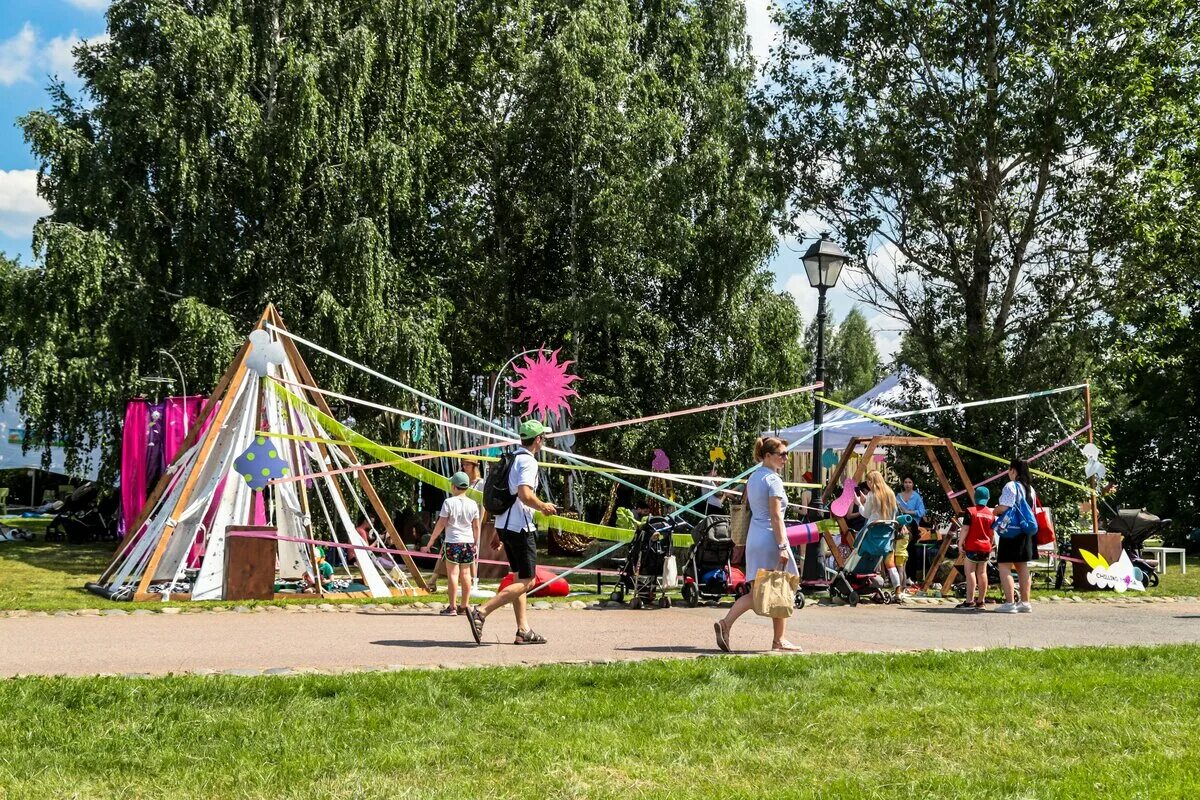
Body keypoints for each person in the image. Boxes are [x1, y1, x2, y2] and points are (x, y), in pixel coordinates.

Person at [466, 419, 557, 645]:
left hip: (505, 525)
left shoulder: (512, 458)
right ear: (537, 440)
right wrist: (544, 506)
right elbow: (525, 494)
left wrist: (499, 532)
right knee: (528, 581)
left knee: (519, 577)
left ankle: (523, 630)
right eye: (542, 438)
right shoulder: (528, 462)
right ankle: (481, 611)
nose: (543, 441)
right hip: (520, 527)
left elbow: (507, 494)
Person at [713, 436, 801, 653]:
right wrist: (782, 546)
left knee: (762, 591)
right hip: (771, 538)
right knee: (782, 587)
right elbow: (776, 516)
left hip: (755, 537)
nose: (785, 459)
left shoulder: (753, 477)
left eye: (786, 454)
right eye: (782, 454)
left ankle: (733, 626)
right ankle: (732, 625)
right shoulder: (773, 480)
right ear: (768, 456)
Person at [421, 471, 481, 616]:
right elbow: (476, 526)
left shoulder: (448, 502)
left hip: (453, 542)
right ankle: (464, 605)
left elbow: (440, 524)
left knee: (453, 575)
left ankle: (452, 607)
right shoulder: (473, 504)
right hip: (468, 542)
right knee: (466, 574)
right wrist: (476, 543)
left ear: (454, 486)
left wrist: (430, 542)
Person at [993, 458, 1037, 614]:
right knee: (1022, 566)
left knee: (1004, 565)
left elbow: (1005, 507)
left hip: (1011, 531)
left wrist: (995, 510)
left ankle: (1010, 602)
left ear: (1013, 470)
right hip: (1026, 531)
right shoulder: (1030, 489)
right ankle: (1025, 602)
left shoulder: (1011, 486)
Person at [861, 471, 906, 600]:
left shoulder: (871, 495)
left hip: (872, 536)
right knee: (891, 565)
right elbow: (894, 514)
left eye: (869, 481)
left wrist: (859, 504)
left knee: (864, 556)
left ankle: (867, 585)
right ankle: (898, 591)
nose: (868, 484)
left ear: (872, 481)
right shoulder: (891, 494)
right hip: (887, 535)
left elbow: (865, 514)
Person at [957, 486, 995, 609]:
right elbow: (992, 533)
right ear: (988, 498)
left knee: (970, 572)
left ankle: (969, 600)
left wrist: (960, 542)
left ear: (975, 497)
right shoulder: (991, 514)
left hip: (972, 546)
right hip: (985, 547)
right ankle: (981, 601)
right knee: (982, 572)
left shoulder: (971, 511)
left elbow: (966, 528)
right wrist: (991, 544)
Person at [461, 457, 487, 584]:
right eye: (463, 464)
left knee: (472, 547)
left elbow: (483, 504)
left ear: (473, 466)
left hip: (474, 518)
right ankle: (472, 577)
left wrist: (480, 521)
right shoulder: (463, 481)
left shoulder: (481, 483)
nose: (464, 467)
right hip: (462, 519)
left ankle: (473, 577)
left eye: (467, 464)